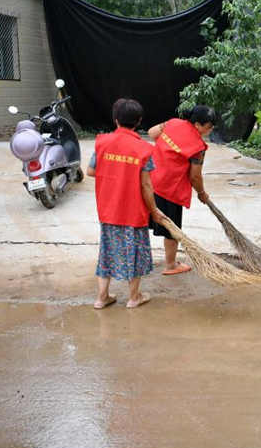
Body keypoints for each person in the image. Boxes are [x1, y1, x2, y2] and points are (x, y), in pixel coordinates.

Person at [87, 98, 164, 309]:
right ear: (138, 121)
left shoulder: (102, 142)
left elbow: (91, 171)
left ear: (116, 119)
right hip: (133, 211)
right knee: (134, 253)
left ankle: (102, 298)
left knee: (107, 252)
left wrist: (114, 172)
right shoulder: (144, 149)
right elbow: (146, 186)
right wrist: (154, 211)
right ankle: (134, 297)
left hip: (108, 209)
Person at [147, 105, 217, 275]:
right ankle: (171, 265)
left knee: (143, 221)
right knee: (172, 229)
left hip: (149, 181)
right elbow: (195, 177)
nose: (211, 130)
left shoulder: (173, 123)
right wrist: (201, 193)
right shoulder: (198, 147)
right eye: (209, 127)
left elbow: (151, 133)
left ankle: (133, 258)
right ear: (198, 125)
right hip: (170, 189)